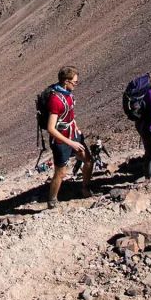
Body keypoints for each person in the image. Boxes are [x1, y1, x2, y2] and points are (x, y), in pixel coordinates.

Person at [45, 66, 92, 209]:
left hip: (72, 133)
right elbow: (51, 128)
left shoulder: (68, 94)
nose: (76, 84)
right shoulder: (55, 100)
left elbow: (70, 112)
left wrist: (75, 125)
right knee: (61, 172)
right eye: (75, 82)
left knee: (88, 160)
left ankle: (85, 188)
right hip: (61, 140)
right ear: (66, 81)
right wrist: (71, 143)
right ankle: (52, 201)